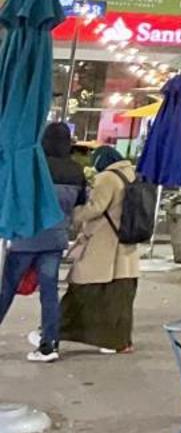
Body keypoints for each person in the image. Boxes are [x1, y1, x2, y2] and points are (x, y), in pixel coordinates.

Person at [2, 122, 87, 361]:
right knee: (49, 293)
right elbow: (80, 205)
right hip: (56, 239)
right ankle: (49, 345)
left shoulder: (34, 167)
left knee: (6, 289)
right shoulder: (76, 171)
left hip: (26, 238)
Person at [57, 145, 141, 353]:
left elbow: (95, 208)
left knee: (83, 288)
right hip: (126, 243)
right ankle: (120, 341)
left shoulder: (107, 178)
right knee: (119, 295)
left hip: (104, 242)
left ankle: (56, 332)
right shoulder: (133, 174)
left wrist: (74, 213)